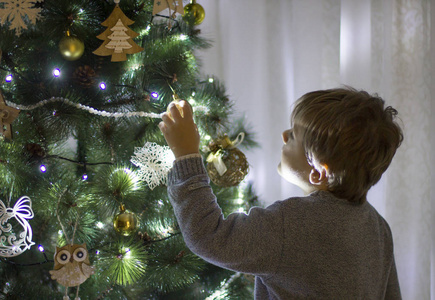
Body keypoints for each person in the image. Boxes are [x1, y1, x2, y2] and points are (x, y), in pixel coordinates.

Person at [159, 87, 403, 299]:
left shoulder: (291, 223)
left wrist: (186, 155)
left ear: (318, 172)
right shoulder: (379, 228)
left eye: (294, 136)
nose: (284, 135)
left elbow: (209, 235)